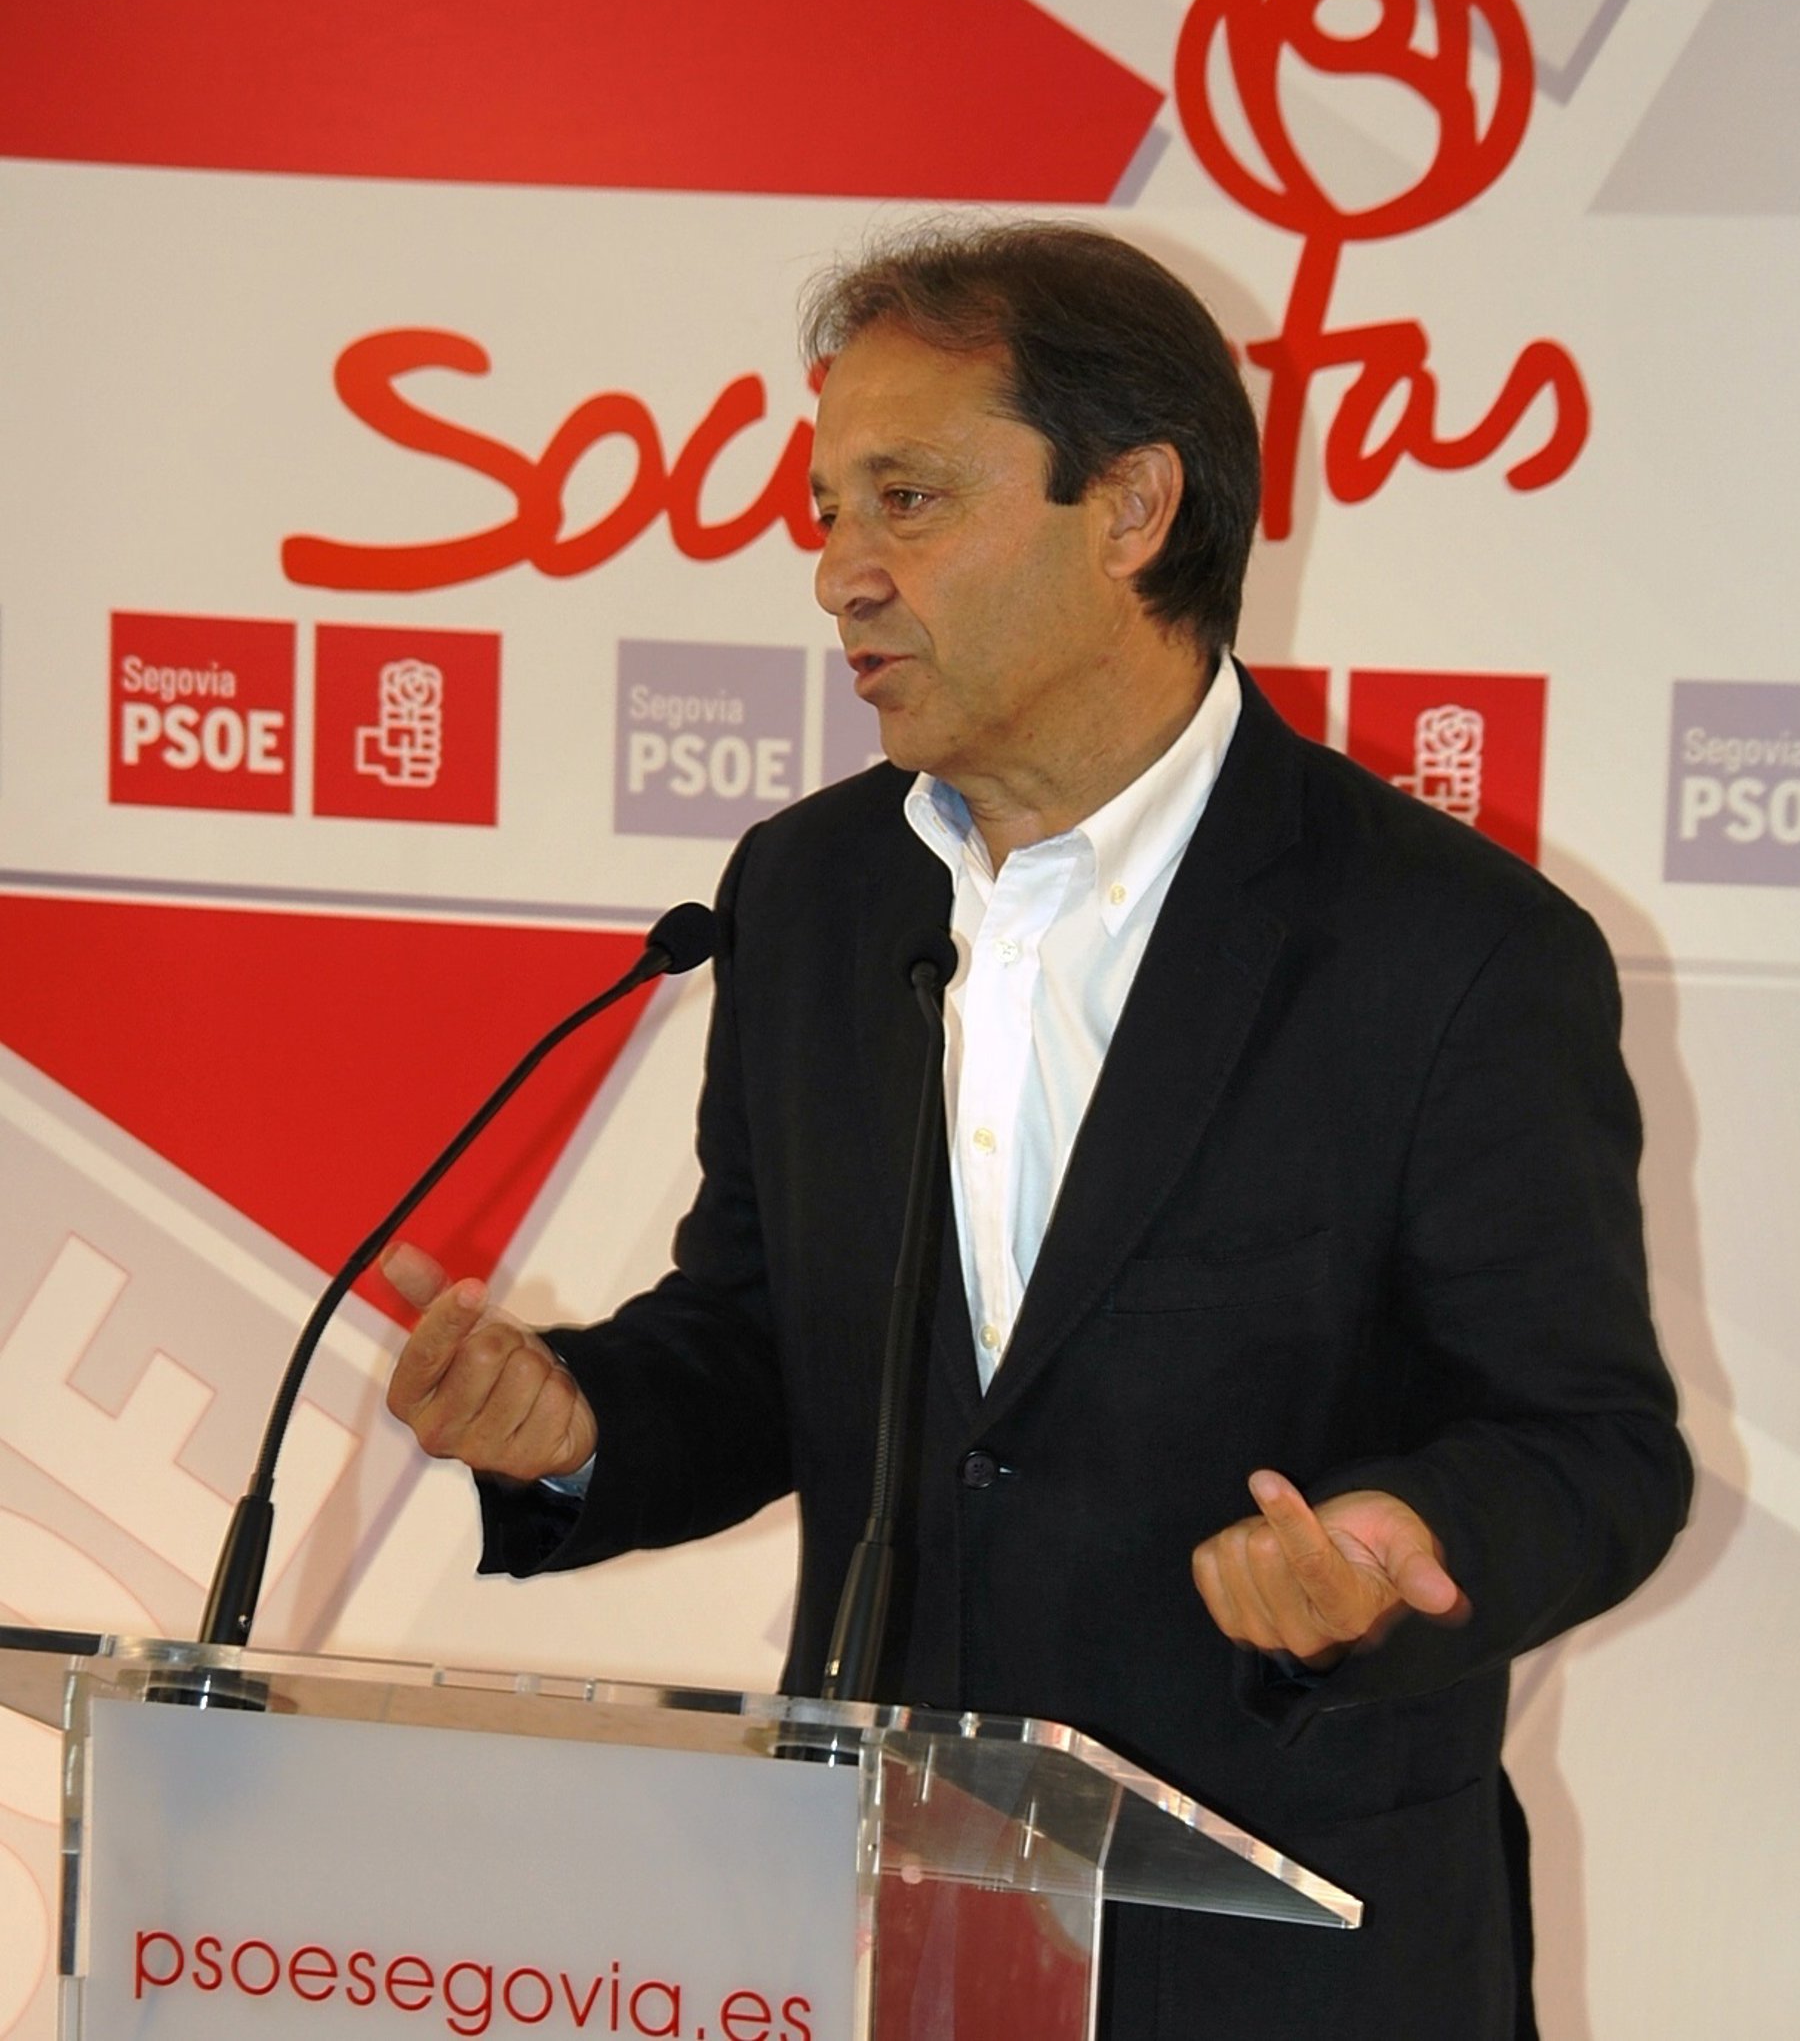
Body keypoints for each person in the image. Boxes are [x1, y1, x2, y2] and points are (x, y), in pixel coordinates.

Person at [385, 221, 1691, 2040]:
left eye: (907, 501)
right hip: (883, 1930)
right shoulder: (813, 893)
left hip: (1290, 1958)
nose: (840, 574)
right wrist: (580, 1425)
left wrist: (1392, 1540)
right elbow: (767, 1336)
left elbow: (1594, 1449)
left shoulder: (1450, 948)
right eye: (828, 509)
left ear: (1134, 507)